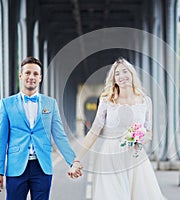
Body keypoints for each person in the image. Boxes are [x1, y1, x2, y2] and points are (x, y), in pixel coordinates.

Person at [68, 57, 166, 199]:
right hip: (110, 157)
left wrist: (140, 138)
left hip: (136, 158)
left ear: (132, 74)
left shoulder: (145, 101)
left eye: (125, 72)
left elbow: (149, 132)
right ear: (113, 79)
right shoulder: (107, 100)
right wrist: (76, 160)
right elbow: (94, 131)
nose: (122, 76)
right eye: (117, 74)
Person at [0, 56, 82, 200]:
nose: (31, 77)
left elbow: (59, 136)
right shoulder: (6, 104)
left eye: (35, 74)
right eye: (27, 73)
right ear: (20, 75)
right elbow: (1, 140)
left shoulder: (50, 104)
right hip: (16, 168)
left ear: (40, 78)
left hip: (42, 167)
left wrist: (73, 161)